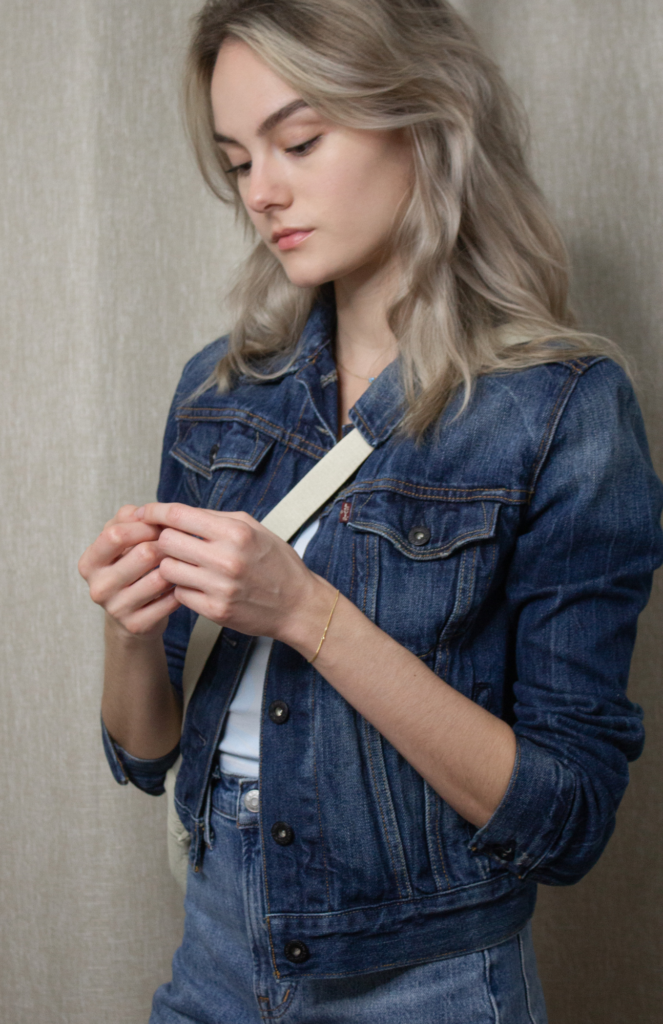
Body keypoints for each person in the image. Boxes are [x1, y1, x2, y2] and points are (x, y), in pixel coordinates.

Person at [78, 1, 663, 1021]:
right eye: (237, 160)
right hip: (217, 953)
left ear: (424, 118)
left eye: (299, 141)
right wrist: (129, 632)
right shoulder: (220, 395)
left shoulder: (565, 409)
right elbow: (142, 752)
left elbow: (568, 822)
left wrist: (310, 612)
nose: (264, 191)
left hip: (427, 983)